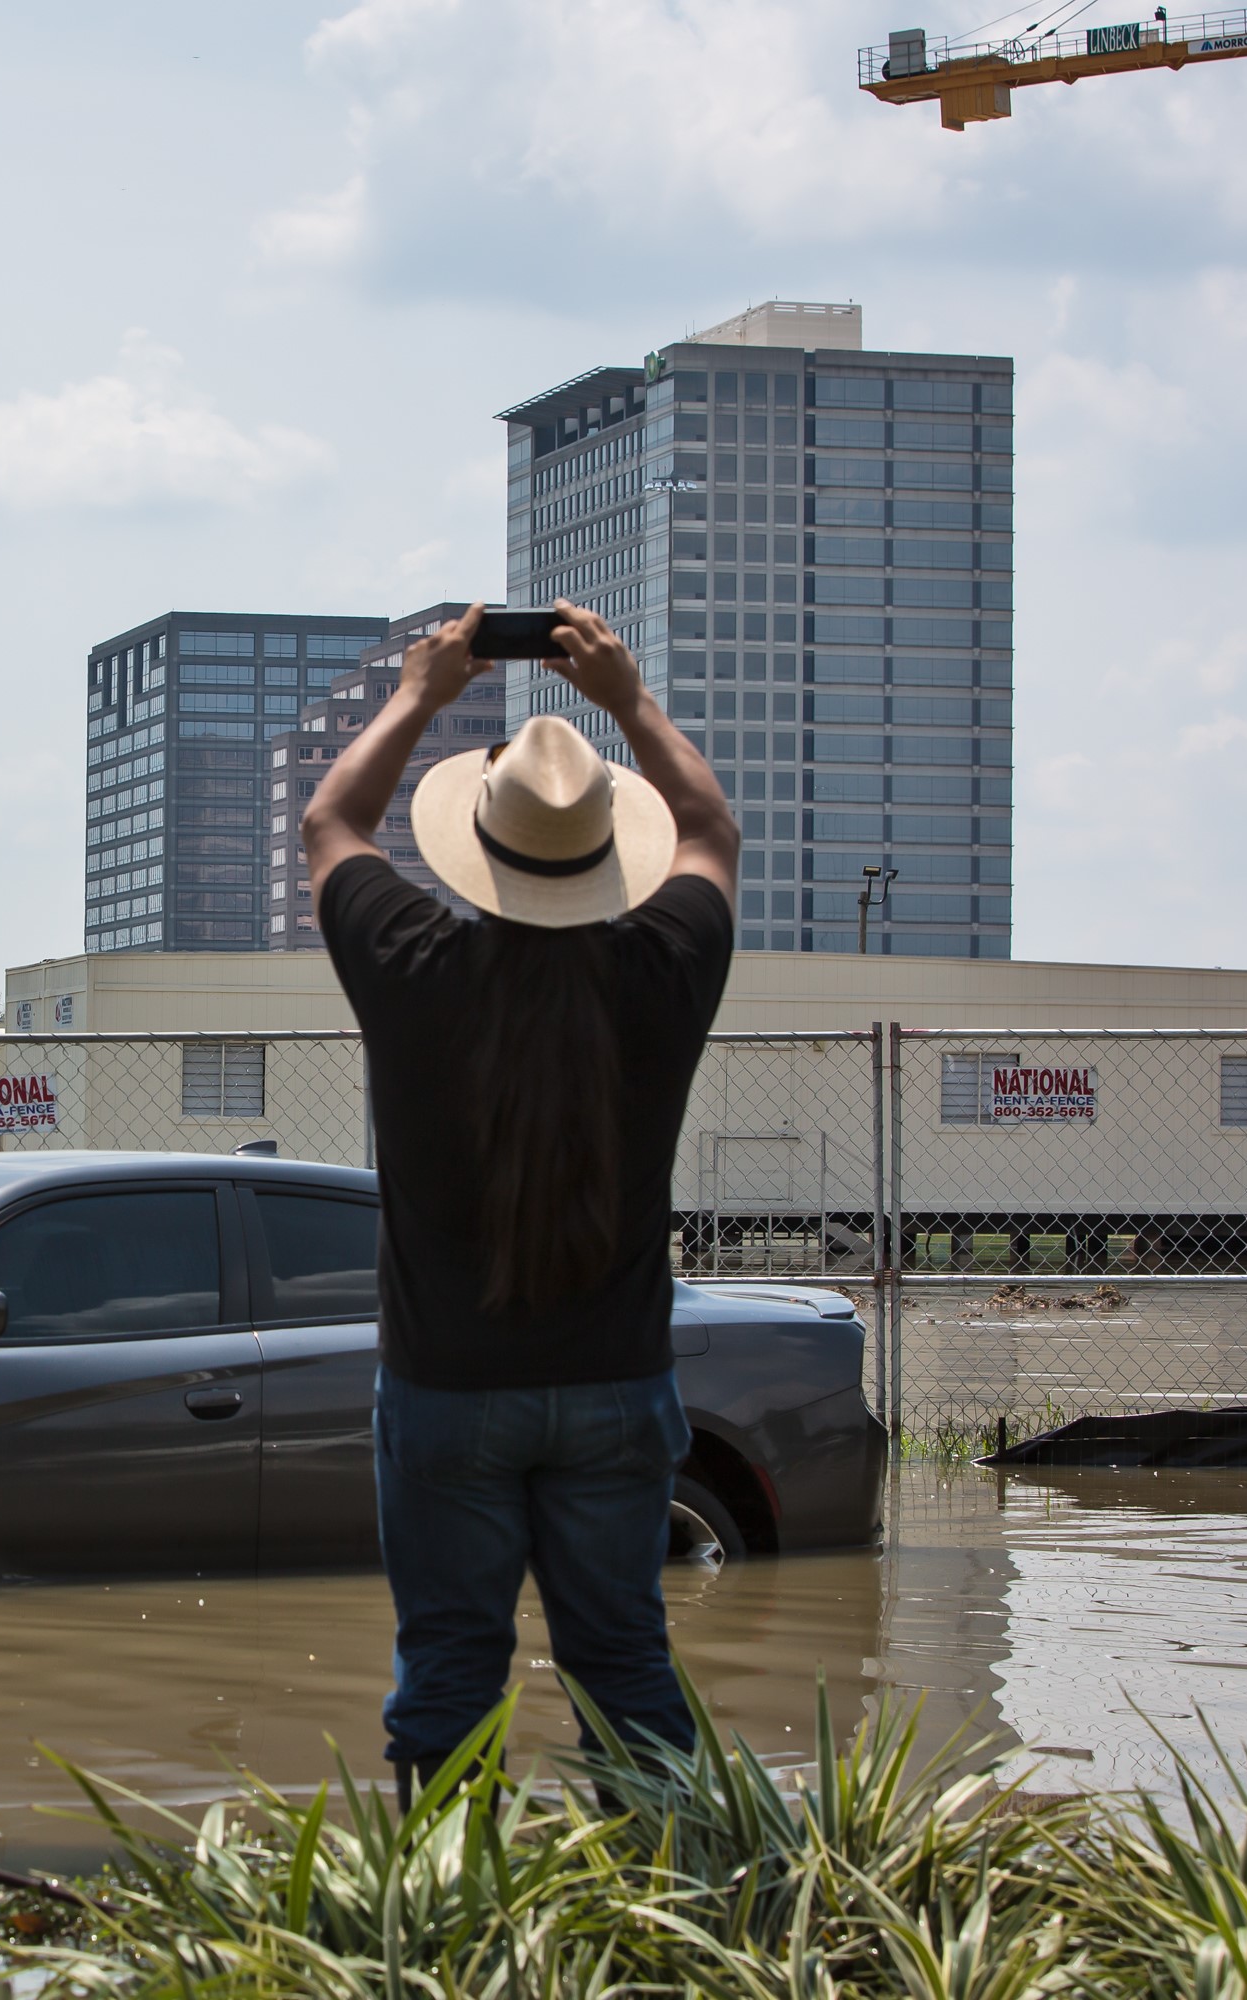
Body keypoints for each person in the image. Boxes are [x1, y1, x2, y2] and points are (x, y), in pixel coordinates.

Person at [298, 597, 740, 1788]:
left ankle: (449, 1931)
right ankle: (677, 1912)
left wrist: (418, 692)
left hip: (446, 1394)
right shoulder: (669, 966)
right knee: (625, 1661)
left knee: (447, 1667)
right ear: (607, 853)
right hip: (618, 1382)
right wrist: (630, 700)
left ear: (476, 854)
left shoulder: (409, 963)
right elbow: (711, 828)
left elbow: (332, 819)